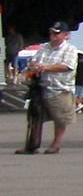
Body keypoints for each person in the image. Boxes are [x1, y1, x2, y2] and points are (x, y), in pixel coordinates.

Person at [16, 22, 78, 155]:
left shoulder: (70, 50)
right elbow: (34, 60)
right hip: (41, 87)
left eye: (57, 33)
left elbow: (67, 66)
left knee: (60, 118)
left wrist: (44, 67)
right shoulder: (44, 47)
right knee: (35, 116)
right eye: (52, 33)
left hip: (59, 88)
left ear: (65, 35)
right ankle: (32, 144)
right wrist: (34, 65)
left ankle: (56, 144)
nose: (53, 36)